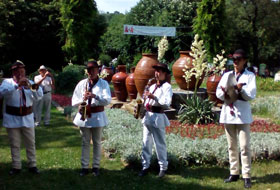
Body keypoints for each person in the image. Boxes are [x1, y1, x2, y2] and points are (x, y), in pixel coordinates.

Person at [216, 49, 256, 188]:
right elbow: (218, 93)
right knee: (231, 145)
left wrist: (240, 90)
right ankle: (234, 173)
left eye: (238, 59)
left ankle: (247, 175)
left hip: (243, 113)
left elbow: (251, 94)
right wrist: (224, 91)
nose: (236, 62)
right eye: (234, 59)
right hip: (229, 112)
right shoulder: (227, 75)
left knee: (244, 146)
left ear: (244, 61)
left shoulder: (249, 76)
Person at [0, 60, 43, 175]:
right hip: (12, 117)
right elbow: (2, 93)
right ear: (13, 73)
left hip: (27, 117)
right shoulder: (7, 83)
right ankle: (16, 166)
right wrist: (16, 85)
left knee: (30, 143)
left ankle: (32, 165)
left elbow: (39, 96)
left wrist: (30, 87)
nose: (20, 74)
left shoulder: (29, 82)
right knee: (15, 144)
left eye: (22, 71)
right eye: (17, 72)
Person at [72, 60, 111, 176]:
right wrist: (81, 102)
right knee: (85, 142)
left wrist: (95, 96)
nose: (91, 72)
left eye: (93, 70)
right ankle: (84, 167)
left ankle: (96, 167)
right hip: (85, 115)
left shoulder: (103, 84)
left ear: (98, 70)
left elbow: (107, 100)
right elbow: (74, 99)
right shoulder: (82, 83)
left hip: (98, 115)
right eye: (89, 70)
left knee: (97, 142)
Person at [138, 63, 173, 178]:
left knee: (160, 144)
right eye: (156, 71)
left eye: (159, 71)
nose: (156, 74)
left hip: (158, 116)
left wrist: (154, 98)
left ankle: (163, 168)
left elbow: (166, 103)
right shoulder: (152, 86)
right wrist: (142, 105)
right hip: (148, 116)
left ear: (164, 74)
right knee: (146, 143)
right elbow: (145, 100)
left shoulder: (167, 87)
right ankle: (145, 166)